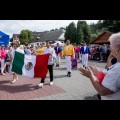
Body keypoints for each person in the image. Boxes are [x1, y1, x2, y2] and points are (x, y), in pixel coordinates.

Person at [79, 32, 120, 100]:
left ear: (117, 48)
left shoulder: (118, 69)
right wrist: (98, 73)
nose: (109, 48)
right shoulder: (117, 64)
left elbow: (102, 91)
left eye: (110, 45)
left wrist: (91, 76)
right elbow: (110, 78)